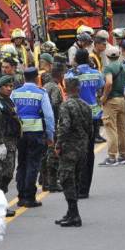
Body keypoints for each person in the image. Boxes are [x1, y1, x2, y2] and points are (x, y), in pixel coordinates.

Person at [11, 67, 55, 207]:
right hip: (36, 133)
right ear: (36, 78)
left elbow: (11, 112)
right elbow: (49, 116)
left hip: (20, 134)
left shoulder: (15, 93)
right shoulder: (41, 93)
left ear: (24, 78)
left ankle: (21, 197)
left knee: (22, 164)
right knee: (33, 165)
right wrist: (50, 135)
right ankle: (29, 198)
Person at [54, 77, 93, 227]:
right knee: (75, 179)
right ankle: (70, 212)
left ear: (65, 89)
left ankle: (74, 214)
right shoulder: (86, 105)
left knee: (66, 179)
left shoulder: (66, 105)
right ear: (79, 89)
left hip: (69, 148)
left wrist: (58, 144)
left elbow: (64, 126)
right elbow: (91, 129)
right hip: (82, 147)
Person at [67, 49, 103, 197]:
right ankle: (85, 189)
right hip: (93, 116)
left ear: (75, 59)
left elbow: (67, 87)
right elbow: (100, 87)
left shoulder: (71, 75)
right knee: (89, 151)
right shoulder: (96, 73)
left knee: (76, 150)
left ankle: (77, 185)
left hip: (76, 115)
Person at [99, 45, 125, 166]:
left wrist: (104, 97)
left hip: (111, 101)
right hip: (121, 100)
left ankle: (112, 157)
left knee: (110, 128)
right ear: (119, 55)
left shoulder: (108, 68)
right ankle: (122, 155)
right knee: (122, 129)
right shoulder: (124, 66)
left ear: (107, 56)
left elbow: (109, 82)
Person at [0, 75, 21, 210]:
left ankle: (0, 201)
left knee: (8, 173)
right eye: (6, 86)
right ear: (0, 87)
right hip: (3, 141)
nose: (9, 89)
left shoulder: (9, 101)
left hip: (11, 140)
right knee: (3, 173)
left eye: (11, 86)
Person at [41, 62, 65, 192]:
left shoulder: (45, 86)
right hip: (53, 123)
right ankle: (52, 183)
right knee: (53, 154)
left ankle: (45, 181)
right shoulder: (55, 88)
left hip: (43, 124)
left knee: (45, 154)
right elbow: (55, 104)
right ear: (60, 75)